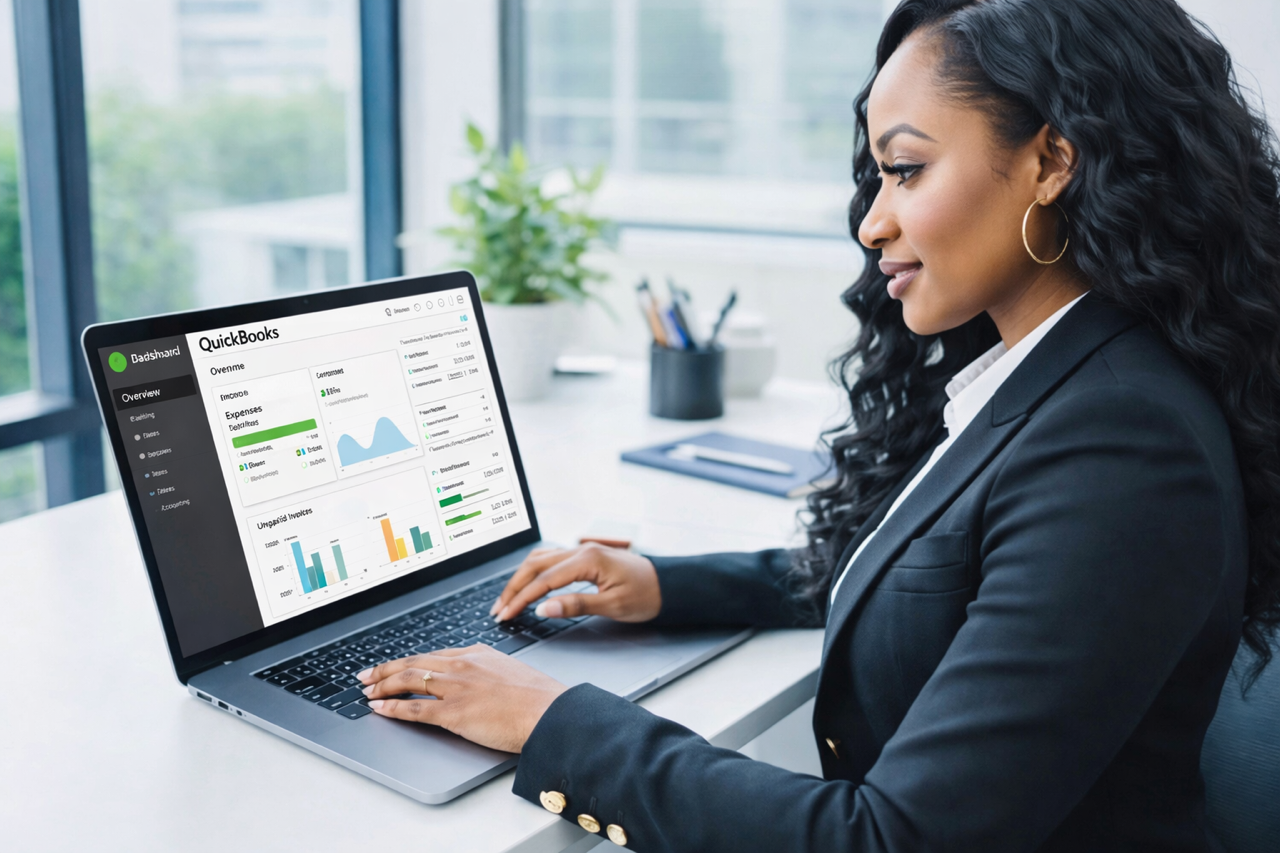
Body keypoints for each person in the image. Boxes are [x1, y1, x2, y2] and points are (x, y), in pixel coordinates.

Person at [355, 0, 1280, 849]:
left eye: (906, 171)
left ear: (1051, 162)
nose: (873, 222)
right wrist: (667, 586)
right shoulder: (1058, 374)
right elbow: (946, 570)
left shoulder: (1120, 443)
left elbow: (887, 839)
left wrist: (551, 719)